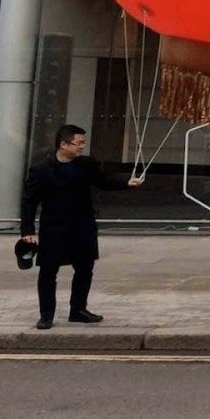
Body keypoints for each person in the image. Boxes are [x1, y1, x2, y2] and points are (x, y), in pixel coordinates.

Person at [19, 124, 142, 329]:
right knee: (48, 271)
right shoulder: (41, 169)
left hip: (82, 224)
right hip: (54, 226)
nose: (82, 147)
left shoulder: (86, 165)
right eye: (79, 143)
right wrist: (27, 231)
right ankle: (46, 314)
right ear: (63, 144)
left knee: (85, 268)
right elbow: (29, 201)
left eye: (84, 143)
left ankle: (78, 310)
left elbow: (103, 181)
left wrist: (126, 183)